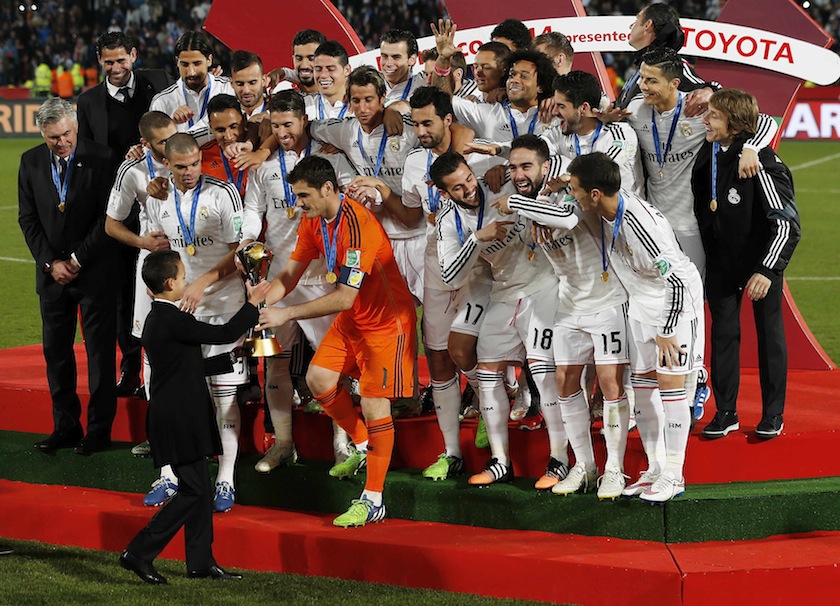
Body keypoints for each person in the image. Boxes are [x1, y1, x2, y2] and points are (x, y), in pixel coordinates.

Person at [258, 155, 417, 527]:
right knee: (318, 380)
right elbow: (290, 275)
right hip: (355, 319)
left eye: (303, 196)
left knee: (375, 405)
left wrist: (286, 313)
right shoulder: (315, 224)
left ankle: (374, 499)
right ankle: (363, 445)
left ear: (327, 189)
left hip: (386, 325)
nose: (297, 205)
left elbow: (345, 295)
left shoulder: (358, 225)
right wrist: (260, 299)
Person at [119, 249, 269, 585]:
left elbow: (185, 364)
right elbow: (224, 332)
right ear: (170, 283)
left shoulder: (161, 320)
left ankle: (200, 561)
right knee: (193, 489)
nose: (188, 284)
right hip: (179, 418)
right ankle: (139, 552)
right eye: (185, 278)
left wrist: (226, 361)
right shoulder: (173, 319)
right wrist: (253, 302)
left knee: (198, 489)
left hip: (178, 414)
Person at [566, 152, 705, 503]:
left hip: (672, 303)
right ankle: (655, 468)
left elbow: (675, 280)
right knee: (643, 388)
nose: (572, 197)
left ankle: (675, 474)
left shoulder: (640, 225)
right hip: (642, 302)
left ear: (595, 194)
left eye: (575, 190)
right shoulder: (609, 211)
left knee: (671, 388)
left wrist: (669, 329)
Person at [432, 143, 566, 487]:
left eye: (468, 179)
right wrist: (477, 238)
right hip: (502, 292)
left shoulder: (499, 178)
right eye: (458, 188)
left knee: (542, 370)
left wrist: (505, 166)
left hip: (542, 286)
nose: (469, 189)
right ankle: (500, 461)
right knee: (487, 369)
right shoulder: (449, 219)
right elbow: (450, 276)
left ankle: (559, 459)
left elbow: (541, 164)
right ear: (444, 193)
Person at [240, 90, 357, 472]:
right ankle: (283, 443)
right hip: (279, 276)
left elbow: (349, 203)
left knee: (332, 365)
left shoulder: (331, 159)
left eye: (288, 124)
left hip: (322, 277)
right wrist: (247, 243)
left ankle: (343, 441)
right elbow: (253, 211)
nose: (282, 132)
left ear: (304, 120)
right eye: (275, 126)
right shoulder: (263, 165)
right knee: (273, 362)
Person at [144, 133, 247, 513]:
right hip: (178, 310)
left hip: (220, 304)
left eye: (195, 165)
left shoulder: (223, 193)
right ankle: (170, 475)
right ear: (167, 164)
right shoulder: (159, 196)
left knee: (223, 396)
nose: (189, 173)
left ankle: (225, 480)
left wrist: (203, 281)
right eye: (181, 166)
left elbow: (239, 250)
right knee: (170, 394)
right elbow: (163, 248)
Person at [692, 89, 800, 440]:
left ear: (735, 125)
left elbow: (786, 223)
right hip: (722, 262)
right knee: (723, 334)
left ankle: (773, 414)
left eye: (714, 116)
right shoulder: (708, 152)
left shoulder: (762, 162)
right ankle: (725, 412)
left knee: (769, 334)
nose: (705, 120)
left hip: (759, 263)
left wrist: (767, 269)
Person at [403, 86, 499, 480]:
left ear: (446, 119)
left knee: (464, 350)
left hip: (482, 267)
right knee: (438, 358)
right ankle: (451, 451)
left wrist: (492, 155)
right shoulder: (413, 164)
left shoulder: (475, 151)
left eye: (428, 122)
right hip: (439, 259)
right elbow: (414, 213)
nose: (422, 130)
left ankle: (487, 399)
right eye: (416, 123)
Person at [18, 98, 119, 455]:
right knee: (56, 355)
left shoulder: (104, 158)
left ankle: (99, 430)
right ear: (42, 135)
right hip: (51, 278)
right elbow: (27, 219)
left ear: (75, 126)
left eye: (65, 135)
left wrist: (76, 259)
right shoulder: (30, 161)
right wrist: (50, 263)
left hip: (93, 273)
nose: (60, 143)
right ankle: (65, 427)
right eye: (52, 138)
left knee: (99, 356)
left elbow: (108, 218)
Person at [77, 31, 173, 398]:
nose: (116, 68)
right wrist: (124, 163)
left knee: (168, 284)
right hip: (118, 211)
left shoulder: (160, 82)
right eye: (108, 61)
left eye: (121, 59)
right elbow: (88, 159)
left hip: (160, 208)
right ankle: (131, 367)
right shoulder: (88, 103)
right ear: (99, 61)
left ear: (134, 55)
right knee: (122, 294)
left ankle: (173, 360)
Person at [149, 31, 234, 144]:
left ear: (209, 60)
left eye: (197, 63)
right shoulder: (162, 102)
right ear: (177, 62)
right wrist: (170, 125)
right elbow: (154, 147)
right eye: (185, 64)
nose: (191, 72)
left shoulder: (229, 89)